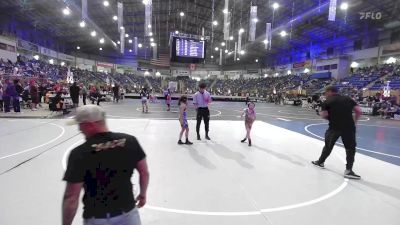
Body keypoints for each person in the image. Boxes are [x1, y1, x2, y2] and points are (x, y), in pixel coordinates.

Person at [62, 105, 149, 225]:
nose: (79, 129)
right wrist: (143, 195)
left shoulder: (79, 154)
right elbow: (144, 172)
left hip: (98, 218)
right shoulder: (130, 141)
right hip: (128, 215)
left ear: (90, 125)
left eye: (80, 124)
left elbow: (71, 197)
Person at [312, 86, 362, 179]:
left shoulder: (327, 101)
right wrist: (355, 121)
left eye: (326, 93)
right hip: (349, 127)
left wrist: (331, 118)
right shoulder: (348, 99)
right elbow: (358, 111)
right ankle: (348, 170)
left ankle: (320, 162)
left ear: (330, 92)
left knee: (328, 146)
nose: (325, 95)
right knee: (350, 148)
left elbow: (323, 115)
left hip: (334, 127)